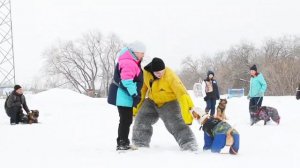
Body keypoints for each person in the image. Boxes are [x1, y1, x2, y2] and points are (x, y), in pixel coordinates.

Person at [132, 57, 198, 151]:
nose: (160, 74)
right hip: (152, 100)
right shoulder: (146, 74)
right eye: (157, 73)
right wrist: (135, 109)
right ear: (152, 71)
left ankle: (189, 144)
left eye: (162, 71)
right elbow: (141, 92)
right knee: (141, 119)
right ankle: (139, 144)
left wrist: (188, 114)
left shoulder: (170, 76)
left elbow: (183, 94)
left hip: (169, 102)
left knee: (176, 123)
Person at [107, 41, 146, 150]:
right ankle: (122, 143)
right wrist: (134, 94)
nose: (143, 55)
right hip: (124, 96)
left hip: (124, 97)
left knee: (126, 120)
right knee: (125, 120)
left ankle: (123, 142)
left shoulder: (130, 61)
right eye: (142, 53)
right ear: (136, 52)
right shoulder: (129, 62)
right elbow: (127, 81)